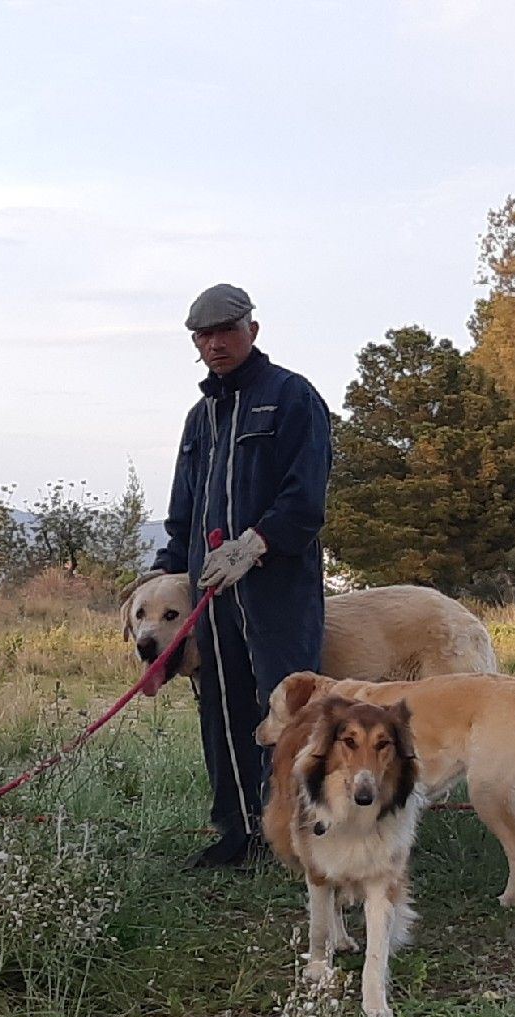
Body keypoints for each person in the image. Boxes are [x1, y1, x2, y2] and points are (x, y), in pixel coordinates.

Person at [144, 283, 332, 868]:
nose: (214, 344)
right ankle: (237, 831)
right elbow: (183, 511)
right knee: (222, 709)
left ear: (252, 329)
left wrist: (258, 543)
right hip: (212, 596)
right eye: (203, 336)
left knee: (290, 710)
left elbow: (306, 496)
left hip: (277, 590)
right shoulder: (200, 418)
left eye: (226, 331)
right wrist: (167, 572)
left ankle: (303, 834)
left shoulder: (292, 398)